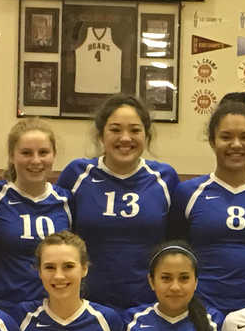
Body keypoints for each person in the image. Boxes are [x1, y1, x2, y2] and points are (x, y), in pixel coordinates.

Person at [57, 94, 180, 311]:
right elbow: (60, 240)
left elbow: (176, 242)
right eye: (115, 130)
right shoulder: (77, 174)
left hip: (148, 306)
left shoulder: (164, 178)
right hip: (86, 305)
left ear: (146, 135)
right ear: (101, 135)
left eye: (135, 130)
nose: (125, 138)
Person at [170, 92, 245, 314]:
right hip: (200, 311)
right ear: (212, 141)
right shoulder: (187, 194)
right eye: (226, 137)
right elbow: (174, 255)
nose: (236, 144)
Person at [0, 118, 72, 318]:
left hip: (50, 315)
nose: (36, 161)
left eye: (43, 152)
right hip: (1, 312)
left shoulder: (66, 201)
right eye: (26, 153)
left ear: (54, 155)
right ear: (12, 156)